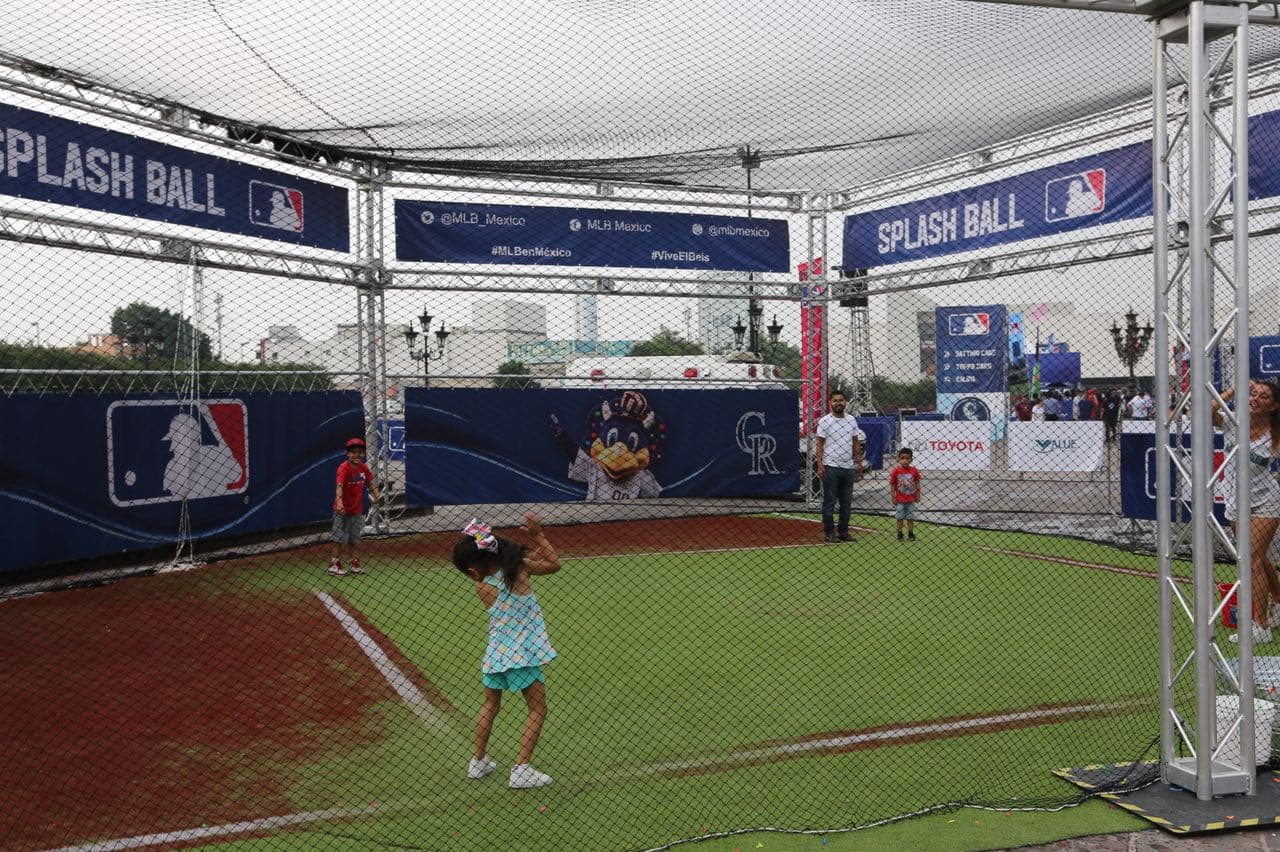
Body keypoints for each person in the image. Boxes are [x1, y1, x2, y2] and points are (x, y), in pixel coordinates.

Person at [452, 515, 560, 788]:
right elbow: (553, 564)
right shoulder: (519, 569)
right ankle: (521, 768)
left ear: (474, 572)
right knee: (538, 709)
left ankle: (478, 761)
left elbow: (518, 565)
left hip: (496, 654)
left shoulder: (481, 586)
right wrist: (537, 535)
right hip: (523, 654)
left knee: (490, 704)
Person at [1212, 381, 1280, 644]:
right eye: (1253, 394)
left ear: (1274, 405)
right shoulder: (1233, 421)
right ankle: (1277, 600)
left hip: (1267, 502)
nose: (1255, 399)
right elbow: (1206, 410)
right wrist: (1234, 389)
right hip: (1235, 502)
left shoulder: (1275, 434)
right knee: (1259, 559)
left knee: (1250, 559)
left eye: (1264, 397)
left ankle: (1259, 626)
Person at [815, 390, 865, 543]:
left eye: (841, 400)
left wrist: (858, 462)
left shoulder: (851, 420)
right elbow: (819, 444)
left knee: (846, 503)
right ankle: (829, 532)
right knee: (829, 502)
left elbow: (855, 442)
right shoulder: (825, 421)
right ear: (830, 403)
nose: (838, 403)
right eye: (835, 400)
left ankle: (843, 532)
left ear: (845, 402)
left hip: (848, 467)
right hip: (831, 466)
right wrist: (820, 465)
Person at [329, 437, 381, 576]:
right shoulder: (343, 468)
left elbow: (370, 483)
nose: (357, 455)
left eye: (360, 452)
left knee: (354, 538)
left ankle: (353, 562)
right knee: (338, 538)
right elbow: (339, 486)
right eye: (353, 452)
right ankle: (334, 564)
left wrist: (377, 494)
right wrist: (339, 503)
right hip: (341, 510)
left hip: (356, 510)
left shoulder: (363, 468)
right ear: (347, 453)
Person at [889, 448, 921, 541]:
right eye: (902, 458)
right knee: (899, 517)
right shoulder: (896, 471)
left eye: (907, 458)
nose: (905, 461)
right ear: (898, 459)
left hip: (911, 500)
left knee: (910, 518)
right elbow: (892, 484)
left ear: (911, 459)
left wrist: (918, 494)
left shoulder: (914, 470)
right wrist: (893, 496)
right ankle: (899, 533)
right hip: (900, 500)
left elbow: (917, 483)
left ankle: (910, 533)